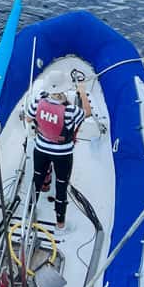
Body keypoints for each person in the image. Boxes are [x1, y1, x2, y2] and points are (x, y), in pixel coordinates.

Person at [25, 69, 92, 232]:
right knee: (61, 186)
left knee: (37, 179)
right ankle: (60, 223)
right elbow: (87, 113)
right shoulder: (70, 111)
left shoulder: (37, 101)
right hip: (62, 154)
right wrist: (82, 92)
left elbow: (28, 118)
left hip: (41, 148)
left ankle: (29, 212)